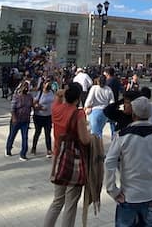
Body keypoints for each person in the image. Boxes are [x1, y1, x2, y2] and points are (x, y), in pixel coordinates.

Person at [104, 96, 152, 227]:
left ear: (133, 114)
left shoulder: (123, 135)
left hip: (129, 196)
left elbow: (110, 162)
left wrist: (113, 190)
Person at [43, 83, 91, 227]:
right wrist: (92, 136)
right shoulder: (78, 114)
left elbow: (58, 96)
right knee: (71, 204)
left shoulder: (56, 109)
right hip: (74, 161)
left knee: (57, 201)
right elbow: (84, 139)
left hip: (58, 158)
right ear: (78, 97)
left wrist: (62, 93)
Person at [7, 80, 34, 160]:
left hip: (25, 120)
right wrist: (14, 118)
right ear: (21, 87)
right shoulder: (16, 96)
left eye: (27, 87)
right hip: (16, 120)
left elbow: (32, 105)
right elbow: (12, 109)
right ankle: (8, 148)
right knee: (12, 135)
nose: (26, 88)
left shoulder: (29, 96)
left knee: (25, 137)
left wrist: (37, 106)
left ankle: (23, 153)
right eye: (24, 87)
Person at [32, 80, 55, 157]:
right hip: (39, 116)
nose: (48, 84)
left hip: (48, 116)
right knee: (37, 132)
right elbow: (34, 103)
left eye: (49, 83)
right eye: (47, 83)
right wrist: (40, 107)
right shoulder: (40, 93)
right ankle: (34, 147)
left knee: (47, 133)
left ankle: (49, 150)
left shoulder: (51, 92)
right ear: (43, 85)